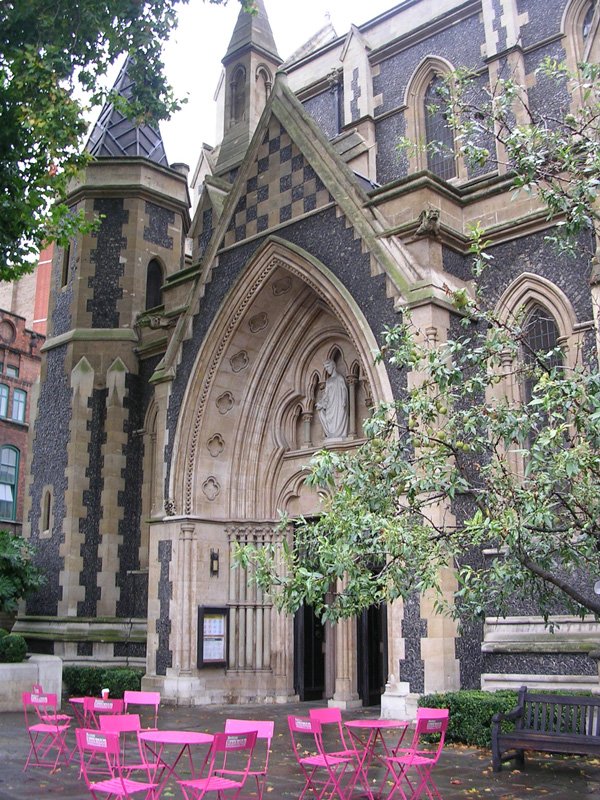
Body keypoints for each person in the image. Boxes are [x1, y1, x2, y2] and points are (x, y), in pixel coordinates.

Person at [316, 359, 348, 440]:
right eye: (325, 368)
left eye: (328, 367)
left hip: (338, 403)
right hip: (331, 405)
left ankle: (339, 434)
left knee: (339, 417)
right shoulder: (328, 381)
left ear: (333, 366)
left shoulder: (339, 378)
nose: (327, 369)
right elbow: (326, 395)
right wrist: (321, 403)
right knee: (326, 415)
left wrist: (344, 399)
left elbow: (344, 389)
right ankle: (331, 434)